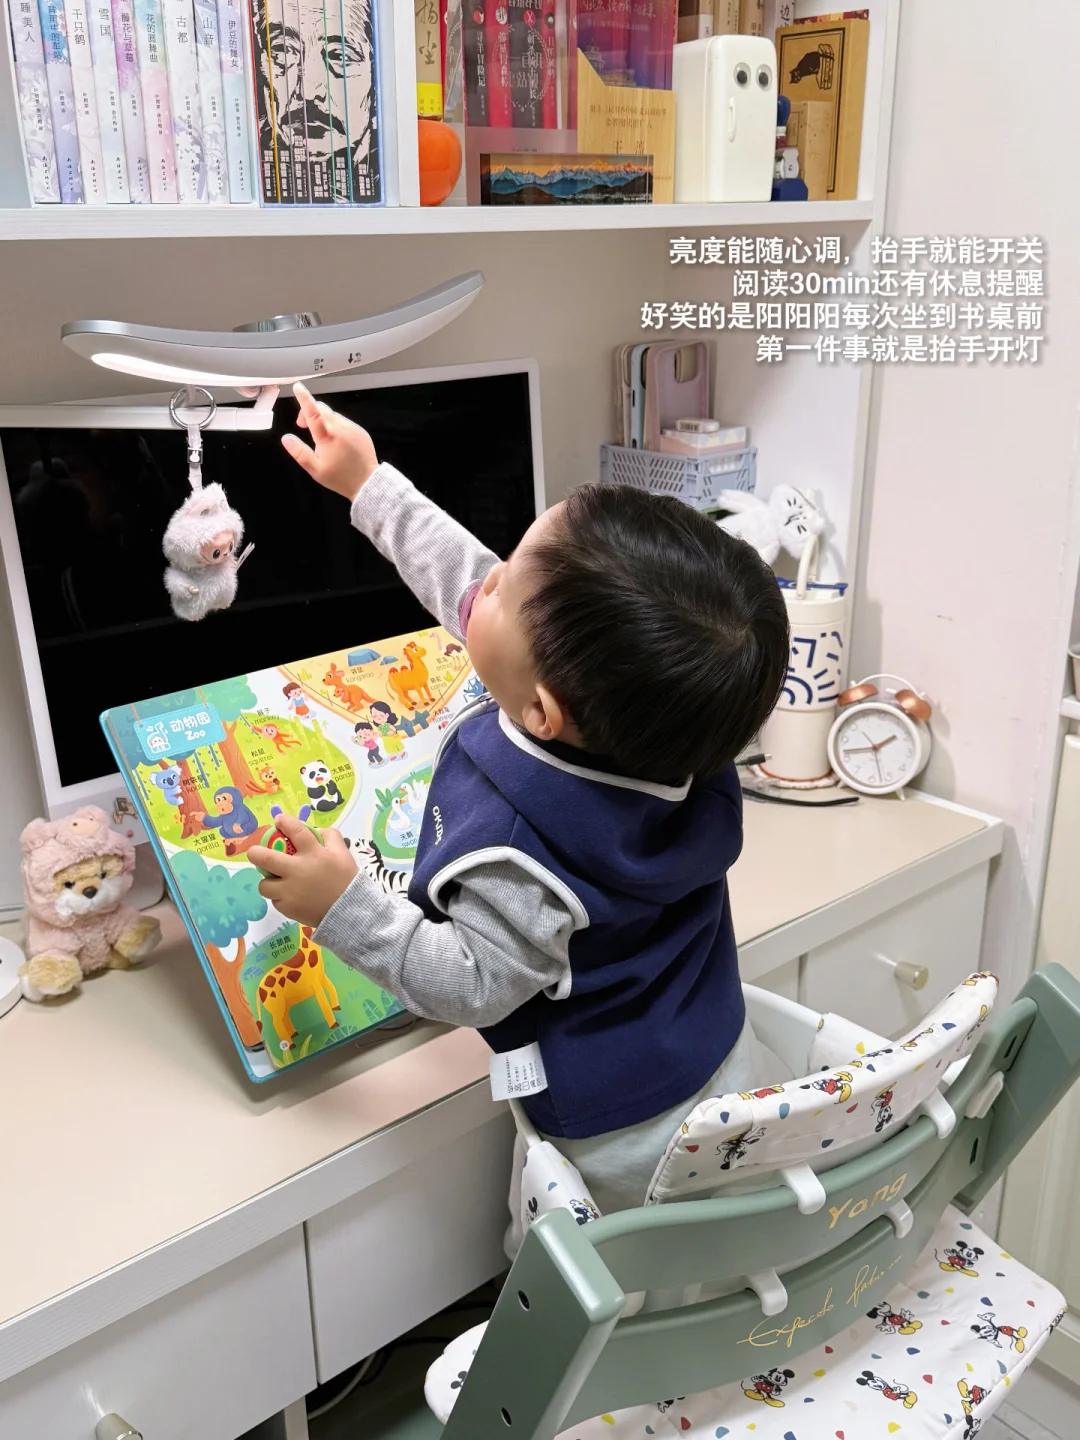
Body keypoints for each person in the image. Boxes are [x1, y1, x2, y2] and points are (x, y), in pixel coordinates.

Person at [250, 383, 790, 1244]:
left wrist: (343, 905)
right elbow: (483, 595)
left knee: (583, 1272)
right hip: (717, 1051)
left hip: (624, 1136)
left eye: (503, 584)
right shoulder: (677, 736)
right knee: (715, 1243)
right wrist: (370, 486)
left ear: (542, 711)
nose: (485, 581)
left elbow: (469, 984)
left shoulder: (523, 852)